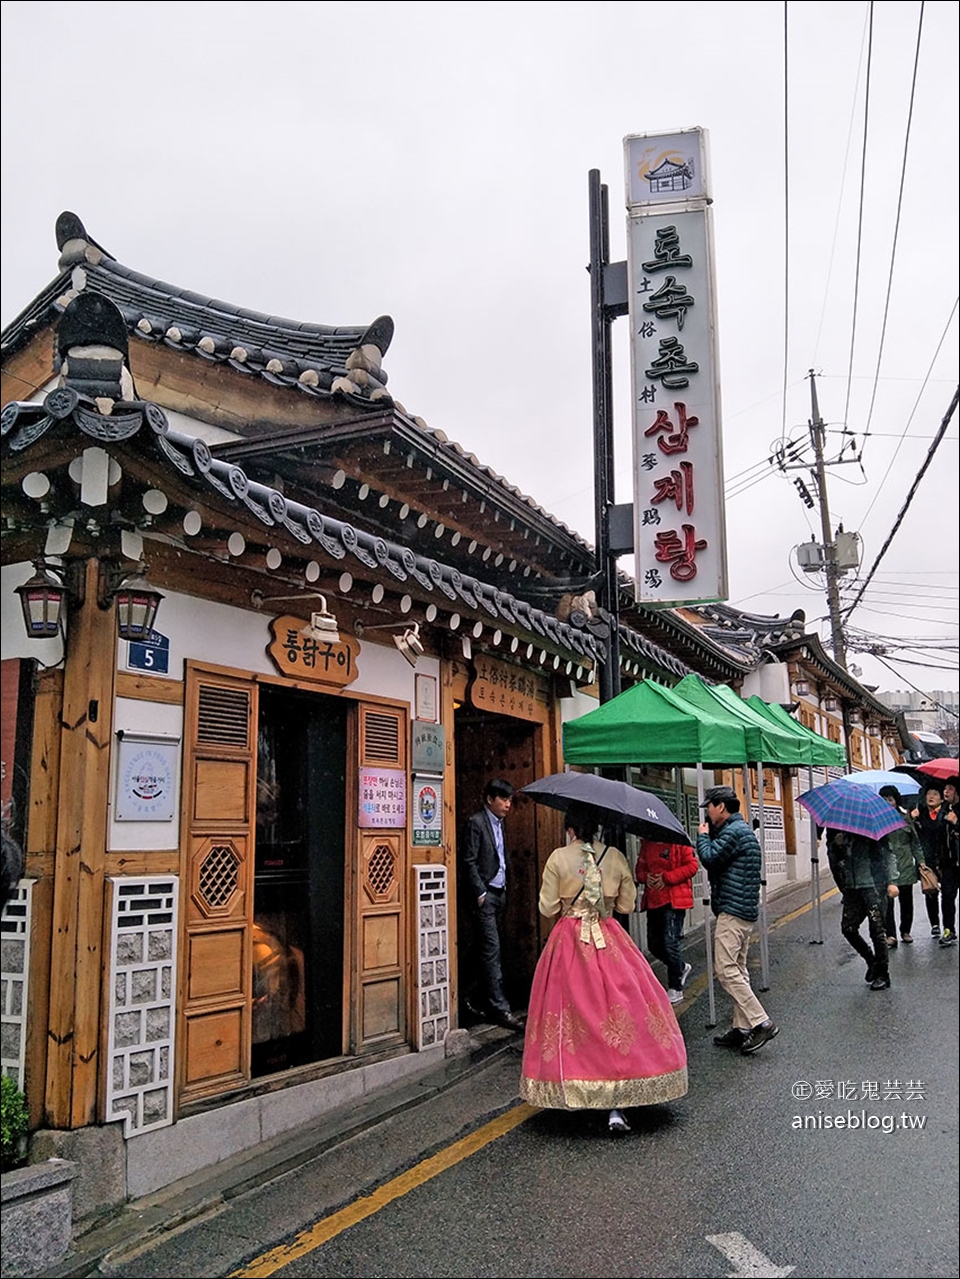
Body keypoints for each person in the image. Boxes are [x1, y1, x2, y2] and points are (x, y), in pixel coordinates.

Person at [519, 802, 687, 1133]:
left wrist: (570, 902)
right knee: (619, 1009)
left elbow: (546, 906)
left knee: (570, 1014)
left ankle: (577, 1088)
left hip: (568, 940)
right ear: (596, 828)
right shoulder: (615, 857)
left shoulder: (557, 858)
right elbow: (626, 904)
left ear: (570, 829)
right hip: (610, 938)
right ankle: (618, 1101)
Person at [696, 785, 779, 1054]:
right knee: (738, 968)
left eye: (709, 806)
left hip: (733, 911)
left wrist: (703, 837)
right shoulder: (740, 830)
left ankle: (760, 1021)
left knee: (725, 969)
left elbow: (710, 858)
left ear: (721, 806)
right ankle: (742, 1027)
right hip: (742, 910)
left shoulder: (733, 832)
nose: (707, 812)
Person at [459, 778, 523, 1030]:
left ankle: (465, 995)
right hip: (485, 897)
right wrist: (480, 892)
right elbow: (469, 860)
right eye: (504, 799)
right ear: (489, 799)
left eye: (510, 800)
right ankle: (500, 1008)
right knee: (491, 949)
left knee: (482, 949)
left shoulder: (500, 823)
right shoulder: (476, 823)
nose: (508, 804)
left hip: (499, 894)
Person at [825, 827, 898, 989]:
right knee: (848, 928)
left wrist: (892, 881)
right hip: (852, 887)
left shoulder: (873, 828)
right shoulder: (838, 829)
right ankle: (871, 960)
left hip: (874, 885)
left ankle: (883, 974)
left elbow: (888, 854)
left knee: (877, 931)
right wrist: (836, 846)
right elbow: (834, 860)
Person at [635, 838, 698, 1003]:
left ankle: (676, 987)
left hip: (673, 900)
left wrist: (666, 878)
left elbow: (692, 866)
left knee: (670, 942)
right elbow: (639, 870)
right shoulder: (646, 844)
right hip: (653, 900)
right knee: (654, 945)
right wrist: (646, 877)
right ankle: (681, 967)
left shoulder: (678, 841)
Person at [878, 785, 925, 947]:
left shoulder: (905, 818)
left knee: (906, 901)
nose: (887, 802)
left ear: (896, 800)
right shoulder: (878, 820)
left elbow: (915, 843)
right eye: (884, 799)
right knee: (887, 904)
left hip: (905, 865)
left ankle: (905, 930)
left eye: (890, 799)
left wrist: (921, 862)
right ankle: (890, 934)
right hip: (886, 868)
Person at [912, 783, 948, 939]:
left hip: (945, 859)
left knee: (948, 894)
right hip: (927, 860)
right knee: (930, 891)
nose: (931, 796)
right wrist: (912, 820)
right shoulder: (919, 814)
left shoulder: (947, 813)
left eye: (935, 794)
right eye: (929, 793)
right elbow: (914, 836)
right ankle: (934, 924)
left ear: (941, 798)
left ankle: (948, 926)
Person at [936, 775, 959, 947]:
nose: (946, 791)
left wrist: (957, 822)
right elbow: (938, 836)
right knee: (947, 897)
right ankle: (949, 929)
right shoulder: (943, 810)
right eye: (945, 788)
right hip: (948, 863)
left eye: (950, 788)